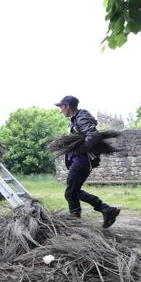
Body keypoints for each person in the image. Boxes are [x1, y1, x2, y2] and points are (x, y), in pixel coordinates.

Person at [55, 95, 120, 228]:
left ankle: (76, 221)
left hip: (82, 162)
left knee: (70, 192)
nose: (60, 110)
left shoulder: (81, 117)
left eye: (61, 107)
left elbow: (93, 135)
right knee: (74, 191)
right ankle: (106, 210)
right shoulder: (74, 120)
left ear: (67, 105)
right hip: (79, 162)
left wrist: (79, 151)